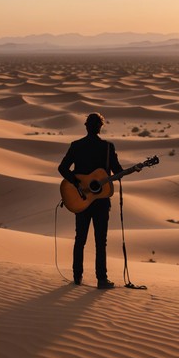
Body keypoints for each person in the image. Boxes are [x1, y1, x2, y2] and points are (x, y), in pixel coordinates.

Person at [58, 112, 123, 288]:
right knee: (100, 241)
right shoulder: (108, 147)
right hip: (100, 202)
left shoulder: (76, 146)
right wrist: (127, 171)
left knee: (80, 239)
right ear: (100, 127)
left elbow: (62, 168)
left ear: (86, 126)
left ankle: (77, 277)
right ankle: (101, 279)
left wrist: (76, 183)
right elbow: (118, 172)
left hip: (81, 199)